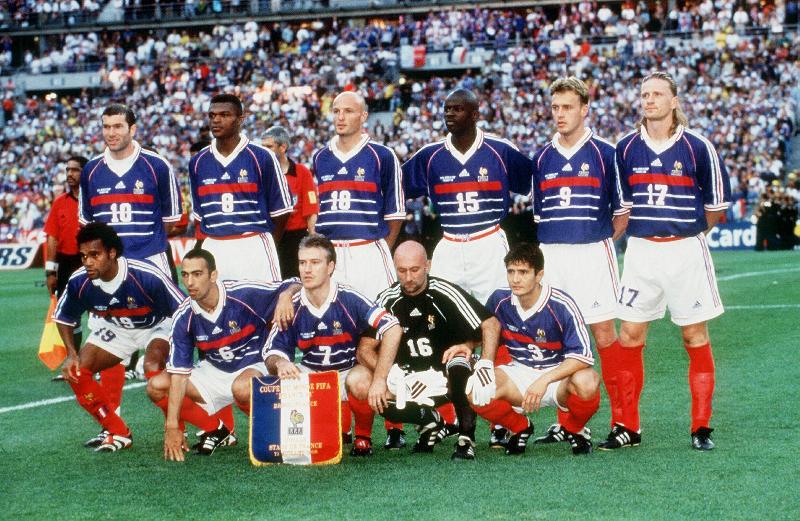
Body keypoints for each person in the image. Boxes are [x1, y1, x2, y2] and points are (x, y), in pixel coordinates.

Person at [607, 71, 731, 451]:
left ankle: (701, 428)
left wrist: (686, 233)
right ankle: (628, 426)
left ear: (674, 101)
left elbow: (716, 208)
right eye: (644, 94)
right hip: (642, 251)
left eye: (658, 94)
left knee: (694, 335)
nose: (649, 100)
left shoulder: (698, 146)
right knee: (629, 335)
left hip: (685, 250)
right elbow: (621, 207)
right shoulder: (625, 148)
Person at [529, 77, 627, 445]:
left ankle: (623, 422)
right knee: (557, 337)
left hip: (592, 253)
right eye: (555, 107)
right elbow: (540, 216)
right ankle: (568, 421)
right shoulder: (541, 156)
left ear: (585, 109)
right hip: (553, 255)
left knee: (603, 334)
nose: (560, 114)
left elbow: (621, 213)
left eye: (568, 107)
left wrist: (596, 240)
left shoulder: (605, 152)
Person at [346, 241, 496, 460]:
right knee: (359, 382)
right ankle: (428, 419)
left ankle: (466, 437)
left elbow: (490, 323)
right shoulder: (387, 299)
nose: (408, 277)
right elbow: (364, 349)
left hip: (444, 378)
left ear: (427, 265)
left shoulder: (444, 292)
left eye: (414, 270)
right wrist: (388, 374)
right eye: (402, 270)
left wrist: (483, 359)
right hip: (406, 381)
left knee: (459, 362)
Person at [147, 249, 299, 461]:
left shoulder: (243, 294)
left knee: (242, 387)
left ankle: (276, 434)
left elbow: (294, 282)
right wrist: (172, 426)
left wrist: (285, 295)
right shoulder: (184, 315)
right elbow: (179, 375)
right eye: (185, 275)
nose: (190, 282)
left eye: (197, 274)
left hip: (255, 363)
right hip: (216, 370)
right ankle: (216, 429)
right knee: (156, 386)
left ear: (213, 275)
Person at [262, 235, 402, 457]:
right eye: (302, 262)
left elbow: (393, 327)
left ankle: (363, 437)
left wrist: (380, 378)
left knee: (361, 381)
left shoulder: (349, 298)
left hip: (347, 371)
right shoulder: (292, 305)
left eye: (315, 262)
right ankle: (331, 428)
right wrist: (280, 362)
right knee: (281, 389)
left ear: (330, 267)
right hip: (313, 375)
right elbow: (271, 352)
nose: (307, 269)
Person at [52, 222, 185, 452]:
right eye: (84, 256)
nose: (88, 262)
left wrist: (183, 348)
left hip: (155, 325)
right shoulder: (78, 280)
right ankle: (117, 431)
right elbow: (64, 317)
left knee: (152, 365)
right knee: (76, 371)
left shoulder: (146, 274)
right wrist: (71, 354)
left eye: (95, 255)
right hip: (118, 327)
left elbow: (184, 310)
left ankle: (176, 430)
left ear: (112, 253)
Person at [466, 243, 601, 456]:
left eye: (523, 272)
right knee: (476, 390)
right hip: (519, 373)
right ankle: (520, 427)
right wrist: (464, 346)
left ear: (539, 275)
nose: (515, 279)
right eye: (511, 272)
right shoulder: (500, 300)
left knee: (588, 382)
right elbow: (481, 333)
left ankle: (574, 430)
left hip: (558, 377)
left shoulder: (561, 304)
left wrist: (544, 380)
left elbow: (582, 356)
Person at [402, 88, 532, 306]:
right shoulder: (430, 155)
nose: (449, 114)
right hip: (449, 242)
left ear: (474, 115)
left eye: (458, 109)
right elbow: (396, 189)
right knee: (441, 314)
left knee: (499, 313)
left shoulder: (501, 151)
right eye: (447, 109)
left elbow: (535, 186)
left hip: (488, 241)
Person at [310, 91, 405, 300]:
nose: (340, 117)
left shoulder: (383, 155)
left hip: (368, 249)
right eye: (336, 111)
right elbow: (318, 209)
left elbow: (396, 213)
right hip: (331, 251)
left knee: (379, 318)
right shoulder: (320, 157)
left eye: (348, 111)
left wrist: (381, 249)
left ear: (363, 116)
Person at [188, 93, 293, 282]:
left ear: (240, 120)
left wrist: (267, 243)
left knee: (262, 307)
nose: (216, 120)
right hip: (215, 245)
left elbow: (282, 212)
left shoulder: (262, 157)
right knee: (216, 308)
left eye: (225, 115)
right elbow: (199, 217)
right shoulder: (197, 162)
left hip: (253, 244)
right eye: (212, 115)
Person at [79, 104, 182, 276]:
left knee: (161, 304)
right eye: (106, 127)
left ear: (132, 129)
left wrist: (144, 244)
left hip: (151, 260)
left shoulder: (158, 166)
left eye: (118, 126)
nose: (111, 133)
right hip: (107, 265)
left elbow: (170, 221)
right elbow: (87, 224)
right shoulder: (90, 170)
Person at [44, 155, 89, 381]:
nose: (70, 174)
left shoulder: (93, 200)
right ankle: (74, 359)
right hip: (66, 263)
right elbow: (52, 238)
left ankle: (104, 364)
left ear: (85, 172)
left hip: (90, 262)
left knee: (101, 314)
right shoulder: (59, 202)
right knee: (69, 316)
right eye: (68, 170)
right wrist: (50, 271)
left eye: (75, 170)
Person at [263, 125, 319, 278]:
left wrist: (313, 239)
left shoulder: (302, 172)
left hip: (295, 239)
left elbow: (311, 208)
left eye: (269, 146)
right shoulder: (260, 173)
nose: (264, 150)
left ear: (283, 147)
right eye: (263, 147)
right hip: (269, 236)